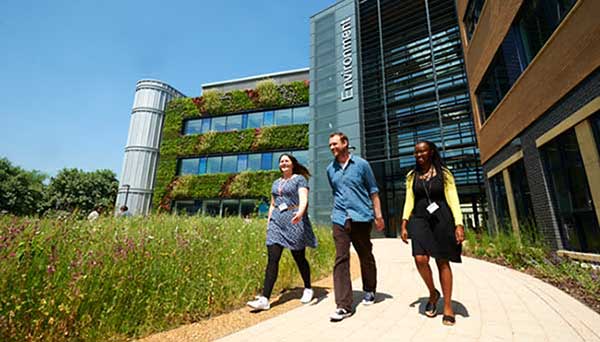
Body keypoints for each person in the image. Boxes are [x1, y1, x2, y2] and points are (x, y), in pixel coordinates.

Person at [400, 140, 465, 326]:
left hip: (441, 219)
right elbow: (409, 200)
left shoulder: (444, 174)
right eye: (416, 152)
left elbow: (453, 198)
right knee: (420, 258)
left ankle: (447, 306)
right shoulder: (412, 176)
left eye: (423, 152)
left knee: (442, 261)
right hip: (419, 219)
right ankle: (432, 293)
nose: (419, 155)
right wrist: (404, 223)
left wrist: (458, 224)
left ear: (431, 152)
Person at [326, 132, 385, 322]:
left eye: (335, 144)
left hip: (361, 216)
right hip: (340, 218)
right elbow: (336, 193)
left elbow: (373, 191)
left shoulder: (361, 165)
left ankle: (369, 288)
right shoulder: (330, 169)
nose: (332, 147)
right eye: (330, 145)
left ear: (345, 143)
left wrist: (378, 215)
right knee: (341, 258)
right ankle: (343, 305)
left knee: (365, 254)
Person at [247, 153, 317, 311]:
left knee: (299, 257)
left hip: (294, 220)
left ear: (292, 164)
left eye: (287, 160)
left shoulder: (299, 179)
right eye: (281, 161)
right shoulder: (276, 183)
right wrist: (269, 221)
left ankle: (308, 287)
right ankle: (265, 299)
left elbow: (304, 198)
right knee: (273, 258)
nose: (284, 163)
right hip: (277, 222)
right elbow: (273, 203)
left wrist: (300, 212)